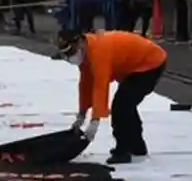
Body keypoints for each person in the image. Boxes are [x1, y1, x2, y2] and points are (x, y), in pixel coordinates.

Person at [54, 28, 167, 165]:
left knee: (121, 107)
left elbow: (100, 87)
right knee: (127, 104)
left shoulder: (98, 52)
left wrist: (94, 121)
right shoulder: (87, 54)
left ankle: (123, 151)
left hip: (150, 64)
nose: (70, 58)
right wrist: (81, 115)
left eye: (71, 52)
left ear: (80, 42)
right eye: (65, 55)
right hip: (135, 67)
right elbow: (86, 84)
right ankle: (138, 147)